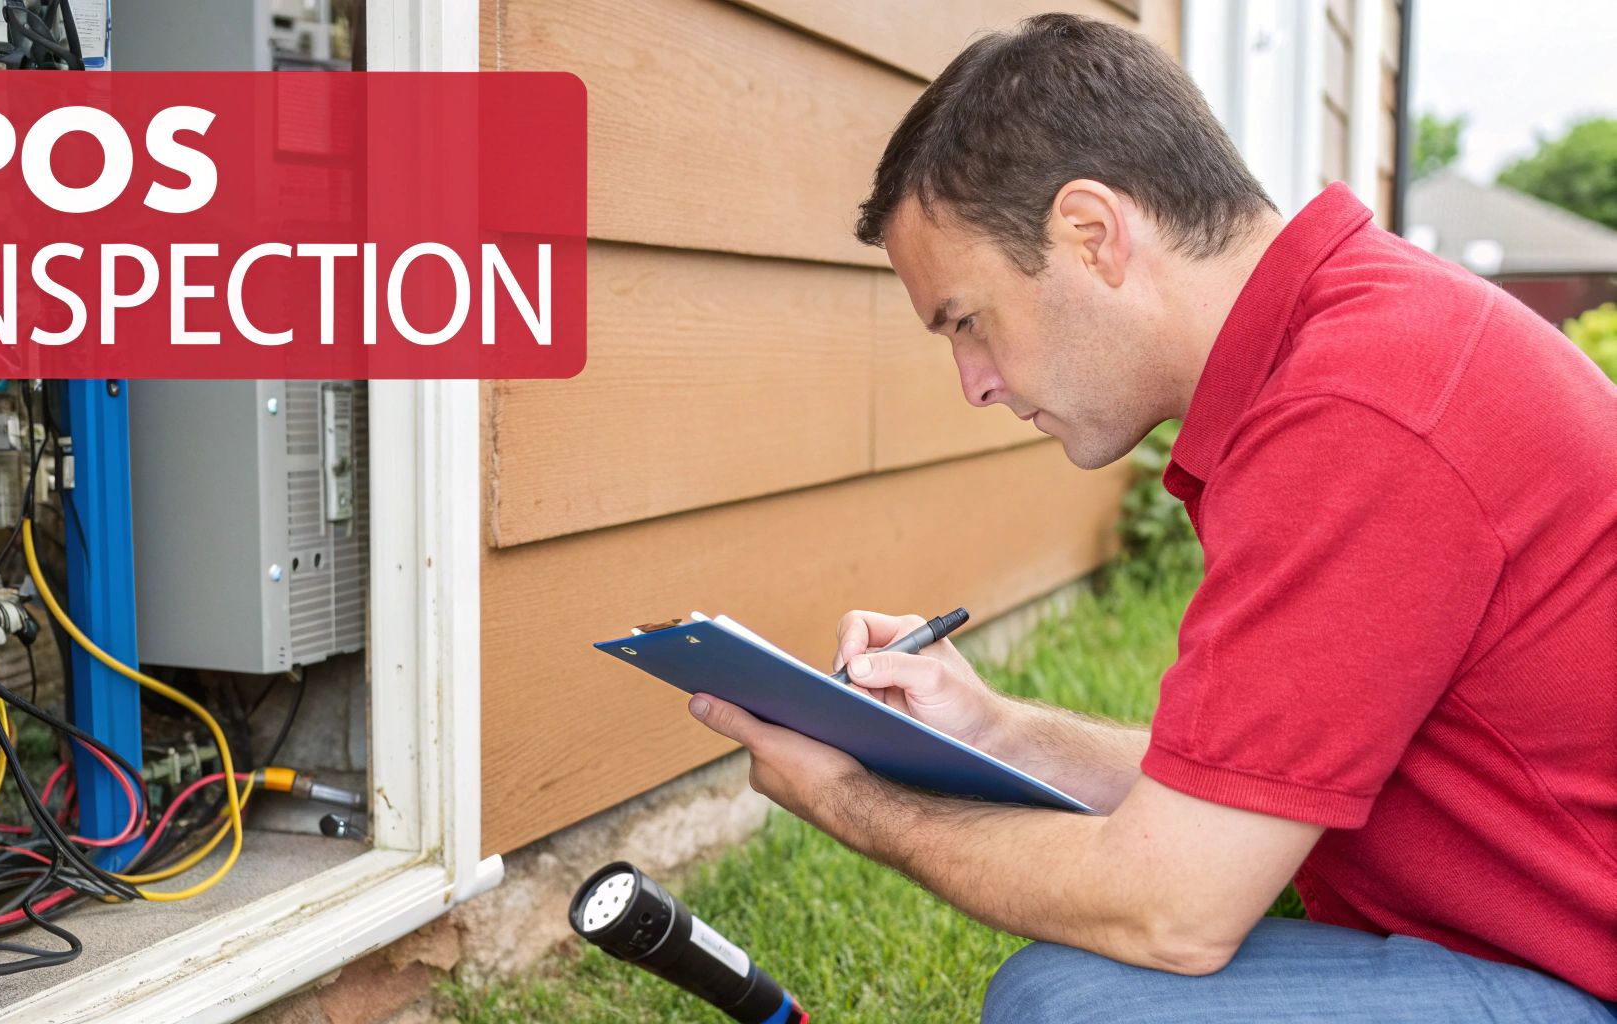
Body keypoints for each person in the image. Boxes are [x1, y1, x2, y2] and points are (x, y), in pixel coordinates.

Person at [685, 13, 1617, 1023]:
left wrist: (850, 801)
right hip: (1523, 936)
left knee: (1080, 1008)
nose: (973, 384)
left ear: (1090, 233)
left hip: (1580, 973)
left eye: (966, 321)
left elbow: (1173, 906)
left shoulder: (1357, 411)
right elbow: (1236, 791)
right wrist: (995, 730)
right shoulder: (1349, 348)